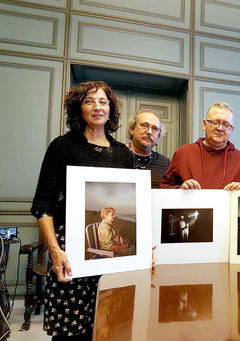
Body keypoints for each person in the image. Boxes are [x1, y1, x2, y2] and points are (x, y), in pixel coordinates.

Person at [30, 81, 134, 340]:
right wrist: (55, 251)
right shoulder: (63, 146)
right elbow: (42, 206)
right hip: (70, 251)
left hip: (113, 260)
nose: (97, 107)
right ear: (78, 108)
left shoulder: (123, 154)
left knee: (111, 323)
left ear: (111, 109)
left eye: (103, 101)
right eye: (89, 101)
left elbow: (138, 201)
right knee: (71, 330)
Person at [160, 102, 240, 190]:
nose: (220, 128)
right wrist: (181, 190)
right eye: (215, 122)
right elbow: (163, 187)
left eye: (226, 124)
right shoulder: (184, 153)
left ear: (231, 129)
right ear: (204, 125)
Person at [128, 109, 170, 188]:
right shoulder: (118, 154)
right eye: (144, 125)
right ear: (132, 129)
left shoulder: (165, 163)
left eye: (155, 128)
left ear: (158, 137)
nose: (149, 132)